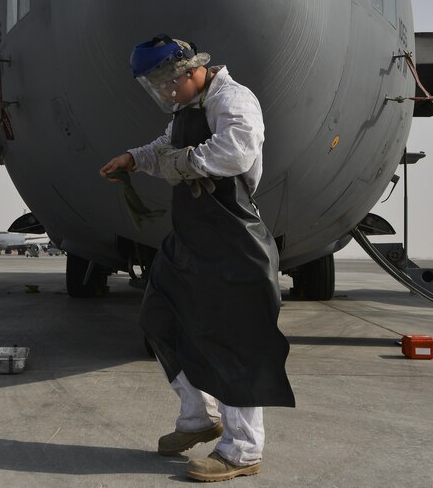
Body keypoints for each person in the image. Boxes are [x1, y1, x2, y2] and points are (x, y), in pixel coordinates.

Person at [99, 34, 294, 483]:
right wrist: (133, 159)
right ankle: (198, 417)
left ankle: (242, 451)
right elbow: (163, 148)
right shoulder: (185, 108)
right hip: (192, 237)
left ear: (189, 72)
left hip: (234, 240)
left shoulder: (233, 99)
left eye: (166, 85)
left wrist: (183, 164)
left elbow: (237, 149)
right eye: (156, 88)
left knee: (234, 342)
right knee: (159, 318)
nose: (164, 95)